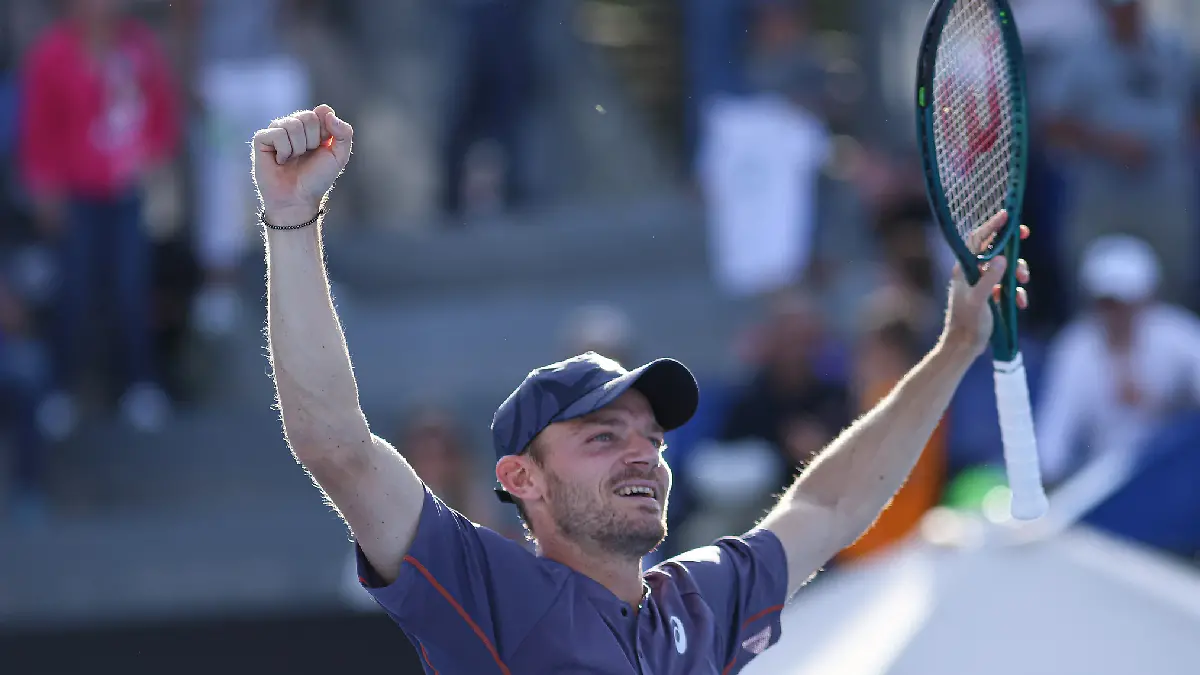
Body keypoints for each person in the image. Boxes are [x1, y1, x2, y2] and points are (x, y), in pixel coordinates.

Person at [252, 104, 1031, 673]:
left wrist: (957, 344)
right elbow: (336, 446)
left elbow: (827, 504)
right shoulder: (492, 589)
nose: (643, 454)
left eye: (651, 437)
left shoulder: (698, 602)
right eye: (602, 435)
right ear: (522, 478)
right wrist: (291, 221)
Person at [1036, 235, 1200, 485]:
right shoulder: (1075, 349)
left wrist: (1170, 406)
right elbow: (1051, 445)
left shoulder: (1178, 335)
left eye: (1127, 303)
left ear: (1148, 298)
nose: (1118, 314)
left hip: (1175, 476)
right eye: (1108, 304)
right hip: (1106, 484)